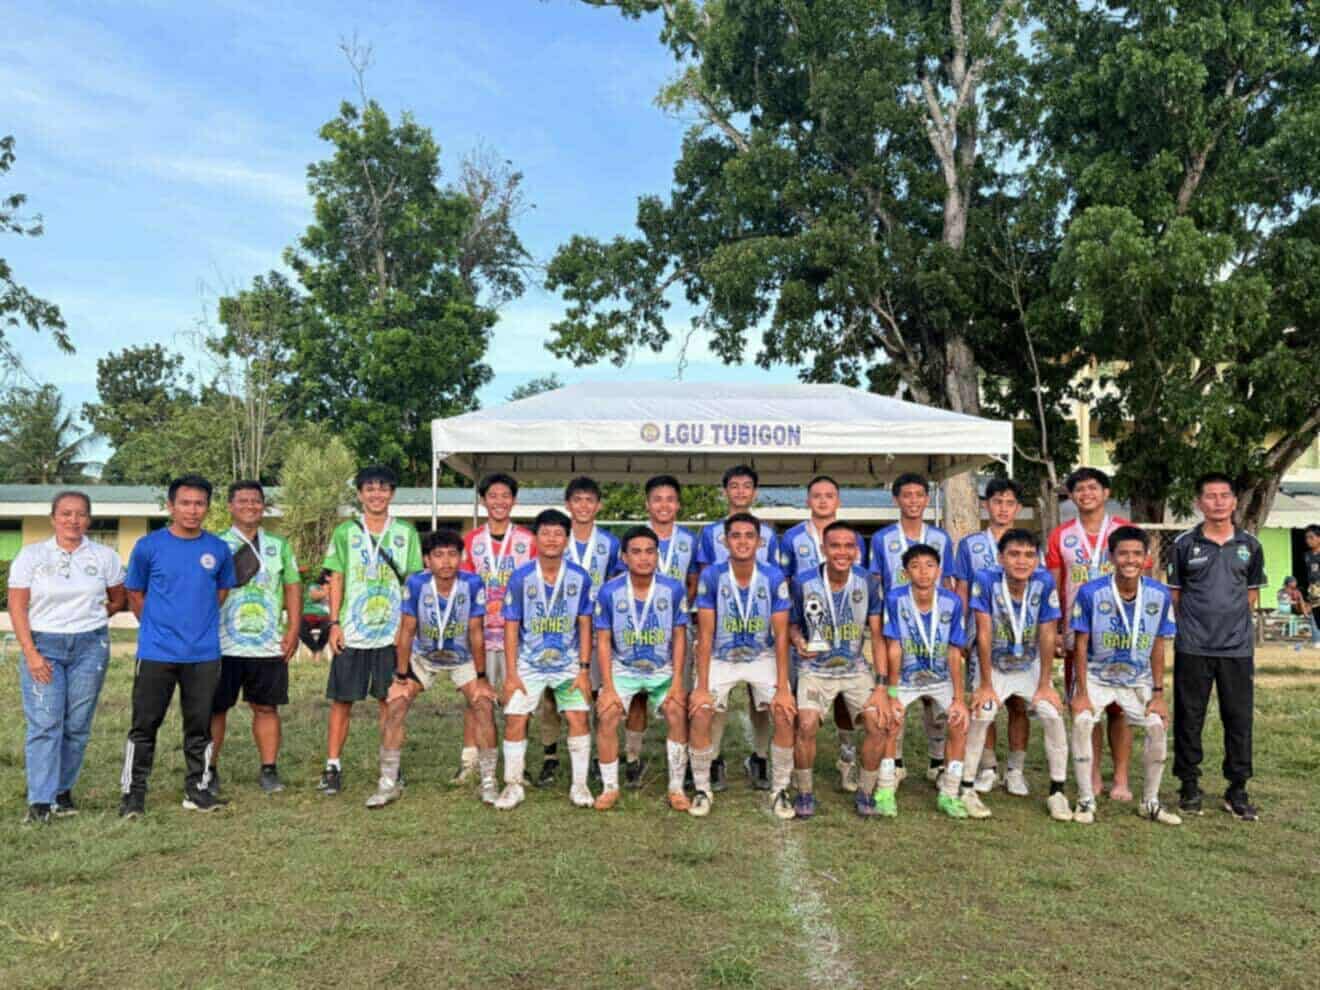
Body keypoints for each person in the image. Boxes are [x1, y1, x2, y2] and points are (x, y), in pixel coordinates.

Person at [119, 475, 235, 817]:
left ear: (207, 508)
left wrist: (195, 624)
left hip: (203, 654)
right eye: (185, 503)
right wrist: (157, 626)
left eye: (199, 503)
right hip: (157, 652)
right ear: (171, 506)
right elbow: (134, 593)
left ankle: (197, 790)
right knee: (144, 726)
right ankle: (133, 795)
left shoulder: (218, 549)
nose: (192, 510)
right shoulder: (148, 546)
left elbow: (221, 593)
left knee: (199, 726)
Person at [10, 490, 126, 822]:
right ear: (53, 518)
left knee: (77, 724)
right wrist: (31, 653)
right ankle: (40, 802)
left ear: (89, 519)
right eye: (65, 513)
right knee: (46, 722)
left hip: (90, 647)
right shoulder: (32, 556)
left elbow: (118, 598)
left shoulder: (104, 556)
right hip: (44, 645)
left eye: (80, 514)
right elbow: (17, 607)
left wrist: (94, 618)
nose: (73, 520)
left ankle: (62, 792)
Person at [367, 529, 499, 809]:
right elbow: (406, 630)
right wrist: (400, 677)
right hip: (424, 657)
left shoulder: (473, 583)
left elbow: (476, 632)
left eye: (452, 554)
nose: (446, 561)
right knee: (396, 705)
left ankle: (489, 782)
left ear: (461, 558)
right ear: (427, 560)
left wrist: (481, 677)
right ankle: (388, 783)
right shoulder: (416, 583)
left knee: (483, 704)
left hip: (462, 657)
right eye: (438, 555)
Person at [1168, 473, 1267, 821]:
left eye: (1225, 495)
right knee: (1189, 717)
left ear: (1234, 501)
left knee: (1238, 719)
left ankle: (1237, 789)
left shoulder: (1250, 545)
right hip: (1193, 647)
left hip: (1236, 650)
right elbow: (1176, 596)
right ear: (1199, 503)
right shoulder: (1184, 544)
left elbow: (1251, 595)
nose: (1219, 502)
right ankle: (1189, 786)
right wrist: (1196, 628)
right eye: (1211, 496)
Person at [318, 466, 423, 796]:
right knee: (342, 701)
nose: (376, 494)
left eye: (383, 488)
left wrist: (408, 629)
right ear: (360, 494)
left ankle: (391, 766)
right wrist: (334, 624)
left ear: (392, 493)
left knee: (389, 701)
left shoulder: (406, 532)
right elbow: (335, 578)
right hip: (352, 631)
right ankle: (332, 766)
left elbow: (414, 581)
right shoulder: (345, 532)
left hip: (392, 633)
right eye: (370, 489)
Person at [1070, 525, 1181, 826]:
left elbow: (1158, 645)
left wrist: (1158, 695)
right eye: (1123, 554)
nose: (1130, 560)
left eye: (1136, 554)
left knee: (1157, 726)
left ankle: (1150, 801)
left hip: (1137, 679)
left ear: (1146, 557)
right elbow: (1080, 644)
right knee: (1083, 721)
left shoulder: (1159, 594)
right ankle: (1085, 799)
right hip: (1096, 676)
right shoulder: (1091, 592)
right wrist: (1081, 693)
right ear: (1111, 557)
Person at [688, 512, 795, 819]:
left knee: (784, 711)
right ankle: (702, 788)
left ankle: (780, 788)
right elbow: (705, 634)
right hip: (721, 656)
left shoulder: (773, 576)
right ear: (725, 541)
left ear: (760, 542)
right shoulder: (712, 576)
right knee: (701, 710)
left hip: (761, 656)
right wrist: (701, 687)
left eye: (749, 536)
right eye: (736, 536)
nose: (743, 542)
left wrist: (783, 688)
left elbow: (781, 635)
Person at [960, 529, 1071, 821]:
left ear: (1037, 559)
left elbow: (1047, 633)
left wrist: (1045, 684)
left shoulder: (1044, 581)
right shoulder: (986, 579)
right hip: (994, 663)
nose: (1022, 561)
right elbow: (983, 632)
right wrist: (985, 684)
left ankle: (1056, 791)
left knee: (1051, 713)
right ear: (1001, 558)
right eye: (1014, 554)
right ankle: (968, 787)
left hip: (1028, 663)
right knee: (983, 712)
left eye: (1029, 555)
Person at [494, 509, 594, 811]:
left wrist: (584, 669)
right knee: (515, 718)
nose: (552, 539)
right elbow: (511, 626)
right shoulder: (521, 577)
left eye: (558, 533)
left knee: (578, 717)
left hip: (568, 664)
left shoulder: (580, 577)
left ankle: (580, 785)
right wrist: (511, 673)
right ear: (536, 538)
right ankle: (513, 785)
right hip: (528, 665)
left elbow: (585, 624)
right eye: (545, 533)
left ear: (567, 539)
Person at [1044, 467, 1135, 802]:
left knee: (1120, 709)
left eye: (1093, 488)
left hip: (1121, 634)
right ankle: (1093, 773)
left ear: (1106, 493)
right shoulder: (1061, 536)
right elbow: (1054, 586)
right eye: (1079, 489)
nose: (1086, 494)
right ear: (1071, 496)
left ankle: (1121, 778)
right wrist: (1056, 630)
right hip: (1078, 634)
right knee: (1085, 706)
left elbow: (1143, 578)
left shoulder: (1125, 531)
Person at [786, 521, 886, 818]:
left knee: (877, 724)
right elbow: (792, 625)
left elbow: (877, 636)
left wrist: (882, 686)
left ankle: (865, 792)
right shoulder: (803, 582)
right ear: (823, 549)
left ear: (856, 550)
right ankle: (805, 792)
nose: (842, 552)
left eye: (848, 546)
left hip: (855, 669)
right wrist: (798, 640)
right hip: (815, 669)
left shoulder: (868, 582)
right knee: (805, 725)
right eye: (835, 546)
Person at [778, 475, 869, 793]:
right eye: (816, 495)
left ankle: (847, 757)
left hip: (845, 632)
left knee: (845, 698)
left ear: (838, 500)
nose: (822, 500)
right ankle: (796, 766)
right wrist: (795, 633)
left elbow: (860, 583)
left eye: (829, 495)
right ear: (807, 500)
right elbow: (786, 582)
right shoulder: (792, 537)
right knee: (801, 703)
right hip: (809, 631)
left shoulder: (853, 537)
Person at [210, 481, 301, 796]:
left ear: (264, 506)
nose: (250, 506)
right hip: (222, 643)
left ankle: (269, 769)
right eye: (243, 501)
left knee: (266, 707)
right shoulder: (215, 544)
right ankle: (209, 769)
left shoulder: (279, 545)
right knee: (215, 708)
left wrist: (293, 629)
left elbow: (292, 586)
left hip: (267, 643)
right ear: (230, 506)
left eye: (256, 501)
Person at [694, 465, 782, 791]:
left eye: (747, 486)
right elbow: (705, 579)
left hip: (759, 629)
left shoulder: (769, 534)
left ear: (755, 492)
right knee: (717, 700)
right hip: (722, 630)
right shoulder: (709, 533)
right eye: (734, 486)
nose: (741, 492)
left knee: (760, 699)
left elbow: (775, 580)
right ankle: (714, 759)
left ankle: (760, 756)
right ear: (725, 491)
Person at [593, 526, 691, 811]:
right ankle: (610, 787)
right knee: (608, 714)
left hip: (661, 670)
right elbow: (603, 640)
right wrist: (608, 687)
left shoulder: (673, 589)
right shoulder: (609, 591)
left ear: (657, 556)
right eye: (636, 552)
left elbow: (680, 637)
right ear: (624, 557)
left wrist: (677, 683)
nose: (644, 558)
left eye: (650, 552)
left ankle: (676, 787)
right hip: (623, 669)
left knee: (676, 711)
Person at [874, 544, 971, 819]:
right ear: (906, 573)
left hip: (940, 678)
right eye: (915, 566)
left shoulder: (952, 602)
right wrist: (892, 694)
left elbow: (954, 651)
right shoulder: (895, 599)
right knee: (890, 720)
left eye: (929, 565)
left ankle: (950, 792)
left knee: (959, 722)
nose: (923, 572)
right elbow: (894, 647)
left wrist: (959, 699)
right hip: (905, 678)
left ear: (939, 571)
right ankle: (885, 790)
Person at [869, 473, 953, 786]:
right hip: (897, 625)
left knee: (933, 693)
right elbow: (877, 582)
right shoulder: (882, 538)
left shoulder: (941, 538)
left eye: (919, 494)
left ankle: (937, 762)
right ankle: (897, 762)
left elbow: (949, 583)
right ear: (896, 499)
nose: (914, 500)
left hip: (934, 626)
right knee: (896, 693)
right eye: (907, 495)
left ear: (927, 499)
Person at [537, 476, 622, 785]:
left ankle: (599, 756)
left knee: (596, 693)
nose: (583, 506)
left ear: (598, 506)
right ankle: (550, 755)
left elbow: (616, 584)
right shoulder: (556, 538)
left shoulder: (610, 543)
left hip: (597, 629)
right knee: (551, 695)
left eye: (589, 500)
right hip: (559, 628)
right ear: (568, 504)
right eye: (577, 500)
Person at [620, 474, 701, 787]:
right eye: (657, 499)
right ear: (647, 504)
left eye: (670, 499)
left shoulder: (689, 540)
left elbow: (693, 580)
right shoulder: (635, 538)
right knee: (638, 697)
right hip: (637, 629)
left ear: (678, 504)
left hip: (676, 627)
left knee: (682, 694)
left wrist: (675, 609)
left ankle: (686, 760)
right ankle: (632, 758)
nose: (663, 505)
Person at [951, 478, 1028, 793]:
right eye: (997, 502)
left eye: (1009, 503)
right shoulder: (970, 545)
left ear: (1018, 508)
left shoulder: (1026, 544)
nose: (1003, 509)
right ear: (986, 505)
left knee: (1019, 705)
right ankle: (988, 766)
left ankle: (1016, 770)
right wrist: (960, 632)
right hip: (981, 636)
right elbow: (962, 589)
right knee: (985, 701)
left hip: (1021, 638)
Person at [461, 472, 537, 784]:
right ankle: (469, 760)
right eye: (492, 496)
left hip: (516, 636)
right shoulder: (471, 540)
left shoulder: (528, 540)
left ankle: (518, 763)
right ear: (483, 501)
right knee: (476, 698)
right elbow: (464, 585)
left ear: (514, 501)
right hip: (480, 633)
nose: (499, 502)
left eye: (505, 496)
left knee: (518, 699)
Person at [299, 568, 332, 661]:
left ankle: (319, 649)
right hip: (309, 613)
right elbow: (314, 596)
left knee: (329, 626)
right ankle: (315, 650)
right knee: (299, 627)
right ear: (326, 577)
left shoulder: (337, 589)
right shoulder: (314, 585)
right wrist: (326, 591)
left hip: (325, 616)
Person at [1305, 524, 1320, 648]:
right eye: (1307, 538)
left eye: (1311, 537)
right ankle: (1317, 640)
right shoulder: (1307, 556)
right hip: (1313, 590)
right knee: (1315, 615)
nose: (1308, 540)